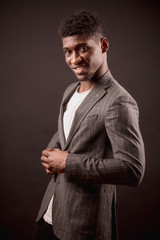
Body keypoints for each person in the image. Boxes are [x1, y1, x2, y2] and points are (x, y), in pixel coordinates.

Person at [34, 9, 145, 240]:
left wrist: (68, 163)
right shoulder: (70, 91)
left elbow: (133, 170)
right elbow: (70, 131)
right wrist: (51, 151)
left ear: (103, 45)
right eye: (68, 51)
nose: (74, 59)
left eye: (83, 48)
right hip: (49, 217)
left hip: (82, 227)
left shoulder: (119, 100)